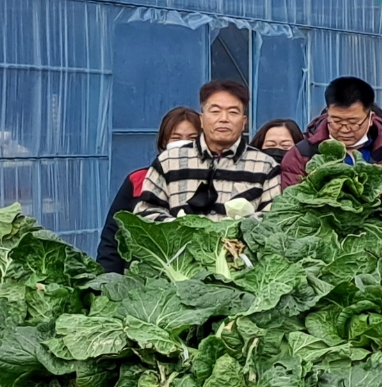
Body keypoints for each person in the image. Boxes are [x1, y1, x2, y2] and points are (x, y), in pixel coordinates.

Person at [135, 80, 283, 221]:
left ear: (244, 122)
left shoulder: (265, 166)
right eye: (215, 111)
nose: (224, 119)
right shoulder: (168, 161)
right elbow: (145, 212)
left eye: (233, 112)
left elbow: (272, 221)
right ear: (201, 119)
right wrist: (182, 229)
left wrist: (233, 232)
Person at [98, 105, 197, 271]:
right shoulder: (138, 180)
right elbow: (112, 236)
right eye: (176, 137)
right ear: (164, 142)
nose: (184, 143)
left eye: (193, 138)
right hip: (142, 280)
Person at [278, 76, 382, 191]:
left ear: (370, 118)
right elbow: (292, 198)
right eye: (337, 121)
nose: (345, 129)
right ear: (328, 113)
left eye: (353, 122)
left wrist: (371, 193)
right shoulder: (302, 154)